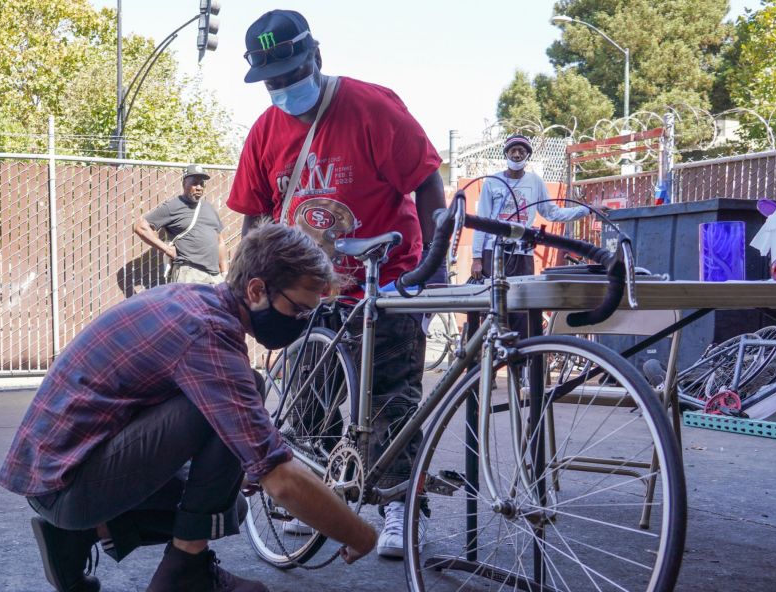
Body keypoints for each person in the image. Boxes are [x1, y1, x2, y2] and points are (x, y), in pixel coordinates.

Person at [0, 224, 378, 592]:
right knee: (240, 393)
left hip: (56, 476)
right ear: (257, 290)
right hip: (66, 486)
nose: (302, 322)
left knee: (230, 507)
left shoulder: (193, 300)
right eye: (298, 309)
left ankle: (74, 538)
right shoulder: (206, 332)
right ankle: (186, 571)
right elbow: (279, 480)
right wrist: (360, 533)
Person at [227, 9, 447, 559]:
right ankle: (320, 500)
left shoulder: (371, 107)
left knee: (392, 397)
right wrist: (246, 283)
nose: (283, 89)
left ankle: (398, 507)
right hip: (305, 291)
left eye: (291, 74)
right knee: (309, 400)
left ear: (316, 57)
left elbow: (427, 183)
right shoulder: (264, 131)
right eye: (272, 81)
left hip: (384, 278)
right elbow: (255, 216)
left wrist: (429, 269)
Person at [470, 134, 595, 337]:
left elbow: (552, 213)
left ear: (527, 155)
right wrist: (476, 258)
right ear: (506, 153)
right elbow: (481, 222)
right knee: (493, 308)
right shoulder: (492, 182)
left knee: (521, 309)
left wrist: (587, 210)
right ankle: (488, 357)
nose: (517, 154)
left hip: (522, 254)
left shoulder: (535, 182)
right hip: (493, 253)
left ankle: (519, 362)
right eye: (513, 150)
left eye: (522, 150)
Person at [133, 163, 227, 285]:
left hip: (214, 277)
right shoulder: (173, 206)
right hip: (189, 273)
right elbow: (140, 227)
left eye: (202, 183)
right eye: (194, 183)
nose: (199, 187)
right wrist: (167, 249)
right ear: (184, 184)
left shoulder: (209, 208)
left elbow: (220, 241)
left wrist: (225, 273)